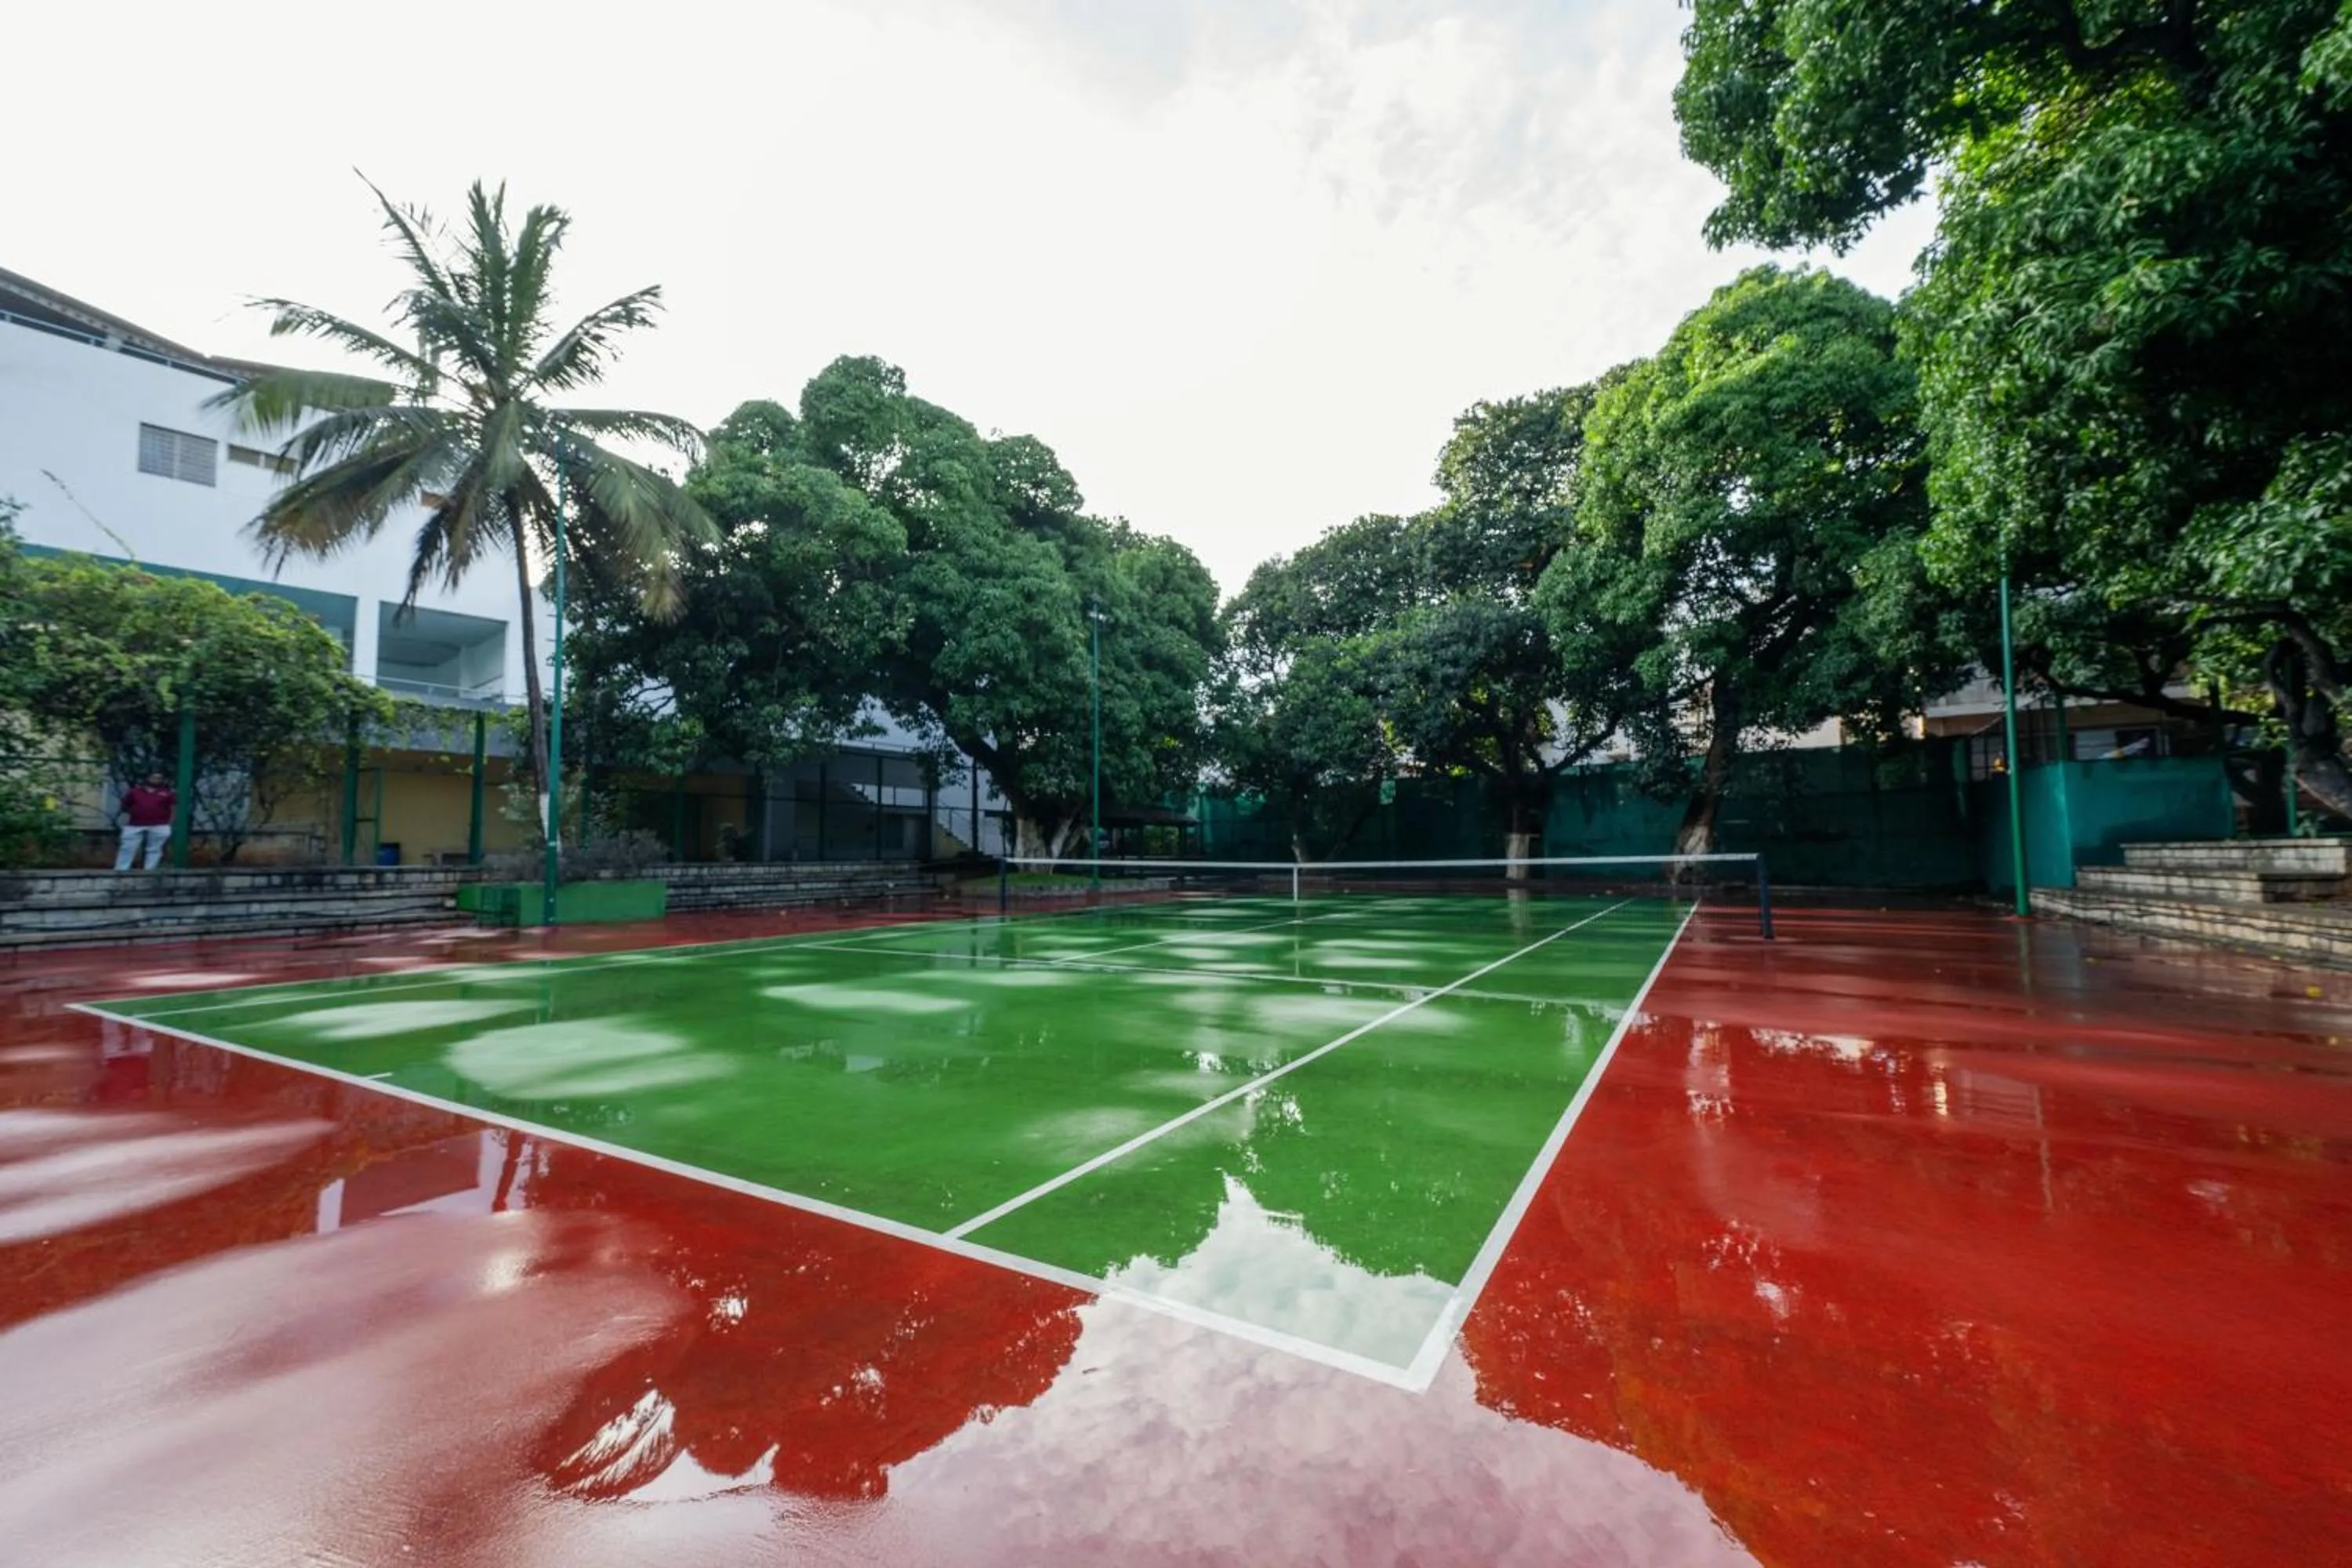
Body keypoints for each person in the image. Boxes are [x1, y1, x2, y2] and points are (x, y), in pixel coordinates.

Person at [115, 771, 176, 871]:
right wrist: (133, 812)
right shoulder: (134, 792)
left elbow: (173, 808)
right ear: (147, 778)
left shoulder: (167, 794)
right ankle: (121, 870)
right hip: (135, 824)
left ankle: (149, 870)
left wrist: (170, 822)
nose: (156, 780)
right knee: (128, 847)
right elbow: (125, 806)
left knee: (155, 849)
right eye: (154, 777)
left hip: (159, 824)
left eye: (159, 778)